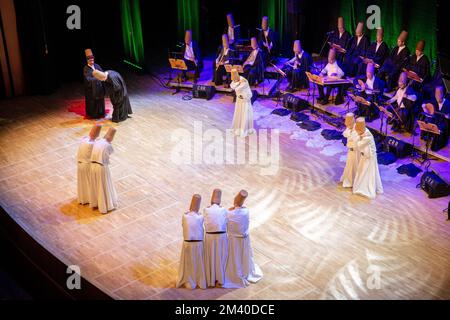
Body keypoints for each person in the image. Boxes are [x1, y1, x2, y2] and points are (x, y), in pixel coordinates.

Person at [223, 190, 263, 288]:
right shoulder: (246, 211)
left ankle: (234, 273)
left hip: (234, 240)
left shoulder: (229, 213)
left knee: (234, 256)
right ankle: (245, 270)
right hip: (244, 240)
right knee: (243, 256)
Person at [176, 194, 207, 290]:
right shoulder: (200, 217)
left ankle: (189, 280)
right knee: (198, 262)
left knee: (189, 263)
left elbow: (183, 224)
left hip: (188, 244)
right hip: (198, 244)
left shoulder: (185, 216)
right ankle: (199, 280)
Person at [353, 118, 383, 199]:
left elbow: (358, 145)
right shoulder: (364, 132)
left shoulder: (367, 137)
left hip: (369, 157)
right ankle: (362, 185)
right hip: (364, 155)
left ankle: (365, 187)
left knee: (367, 171)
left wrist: (356, 138)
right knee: (362, 170)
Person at [90, 127, 118, 214]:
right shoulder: (108, 145)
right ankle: (105, 205)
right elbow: (109, 152)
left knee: (95, 186)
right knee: (103, 186)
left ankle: (95, 203)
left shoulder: (98, 141)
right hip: (101, 167)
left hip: (92, 166)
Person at [204, 189, 228, 287]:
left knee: (211, 257)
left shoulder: (206, 209)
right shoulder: (223, 209)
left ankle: (211, 279)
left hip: (210, 236)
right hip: (221, 237)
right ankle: (221, 278)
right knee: (220, 257)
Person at [77, 124, 102, 205]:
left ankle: (84, 198)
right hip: (87, 166)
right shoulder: (93, 144)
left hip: (80, 164)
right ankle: (91, 200)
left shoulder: (83, 139)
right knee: (90, 183)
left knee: (83, 183)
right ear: (97, 134)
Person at [230, 69, 255, 138]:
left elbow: (237, 89)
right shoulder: (236, 80)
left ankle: (245, 129)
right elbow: (232, 86)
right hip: (239, 99)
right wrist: (238, 82)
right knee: (238, 113)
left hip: (245, 99)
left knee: (245, 114)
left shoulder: (244, 81)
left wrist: (239, 83)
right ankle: (238, 127)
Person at [83, 49, 105, 119]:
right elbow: (88, 79)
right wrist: (97, 78)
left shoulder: (97, 66)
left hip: (99, 89)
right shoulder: (86, 68)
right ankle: (94, 115)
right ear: (88, 61)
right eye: (90, 60)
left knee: (100, 101)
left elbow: (102, 73)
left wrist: (103, 76)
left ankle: (101, 113)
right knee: (93, 102)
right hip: (92, 90)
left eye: (93, 60)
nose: (92, 61)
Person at [340, 113, 359, 188]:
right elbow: (345, 134)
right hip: (351, 150)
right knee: (350, 166)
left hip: (356, 150)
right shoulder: (349, 128)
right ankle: (350, 180)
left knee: (354, 165)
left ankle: (354, 181)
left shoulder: (356, 128)